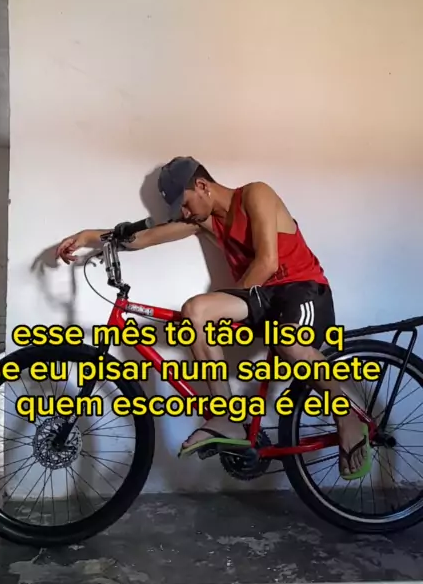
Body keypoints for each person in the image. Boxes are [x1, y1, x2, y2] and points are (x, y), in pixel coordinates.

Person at [55, 156, 371, 480]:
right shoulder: (204, 220)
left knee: (287, 343)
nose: (184, 213)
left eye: (185, 203)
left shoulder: (255, 194)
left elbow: (267, 262)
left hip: (301, 291)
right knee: (195, 311)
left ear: (202, 186)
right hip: (261, 299)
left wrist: (229, 307)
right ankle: (227, 418)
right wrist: (87, 236)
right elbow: (144, 238)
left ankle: (348, 417)